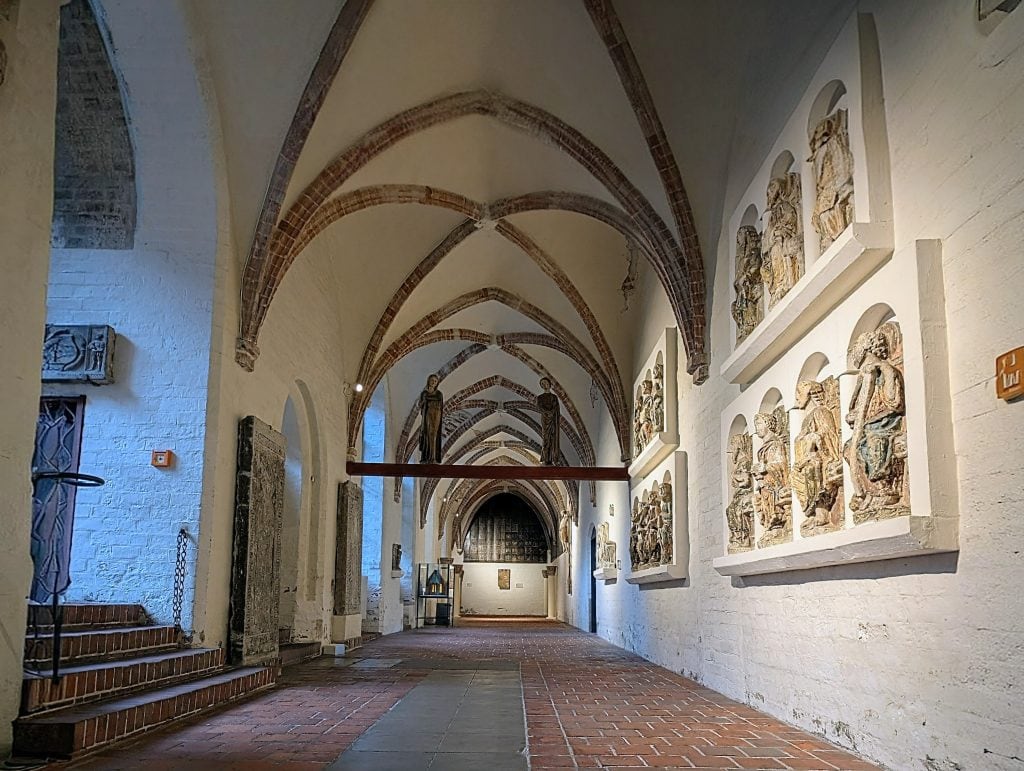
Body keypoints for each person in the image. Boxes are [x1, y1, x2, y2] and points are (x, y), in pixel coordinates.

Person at [419, 374, 443, 463]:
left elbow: (439, 402)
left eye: (435, 381)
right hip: (427, 414)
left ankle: (433, 457)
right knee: (426, 434)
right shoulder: (424, 393)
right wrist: (424, 401)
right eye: (432, 380)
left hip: (435, 414)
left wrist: (427, 399)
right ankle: (427, 456)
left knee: (433, 434)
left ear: (437, 383)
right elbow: (420, 404)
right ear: (428, 381)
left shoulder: (438, 394)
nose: (433, 382)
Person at [537, 377, 560, 465]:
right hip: (545, 419)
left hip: (553, 420)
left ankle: (552, 457)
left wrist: (551, 413)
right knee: (546, 438)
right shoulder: (540, 397)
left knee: (553, 438)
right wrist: (548, 412)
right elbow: (540, 407)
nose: (544, 385)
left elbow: (556, 407)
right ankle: (546, 458)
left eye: (546, 383)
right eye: (542, 384)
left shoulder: (554, 397)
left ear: (549, 384)